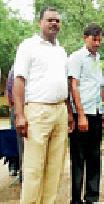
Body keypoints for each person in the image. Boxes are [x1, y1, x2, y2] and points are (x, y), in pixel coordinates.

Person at [13, 6, 73, 203]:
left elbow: (64, 83)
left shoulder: (61, 51)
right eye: (50, 20)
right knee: (34, 168)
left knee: (55, 167)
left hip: (60, 111)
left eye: (57, 20)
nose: (54, 23)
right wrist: (20, 114)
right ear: (40, 23)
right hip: (37, 111)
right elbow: (19, 81)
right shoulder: (28, 46)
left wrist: (69, 113)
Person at [68, 23, 104, 204]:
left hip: (96, 113)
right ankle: (76, 200)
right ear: (85, 38)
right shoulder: (76, 57)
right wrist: (80, 115)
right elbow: (73, 86)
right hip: (82, 115)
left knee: (94, 157)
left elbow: (99, 86)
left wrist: (103, 110)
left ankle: (91, 198)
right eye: (94, 39)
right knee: (78, 159)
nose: (97, 43)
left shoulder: (98, 58)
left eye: (99, 39)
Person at [5, 67, 22, 181]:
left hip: (25, 107)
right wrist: (13, 108)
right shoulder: (14, 69)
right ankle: (13, 165)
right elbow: (8, 91)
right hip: (16, 109)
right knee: (15, 138)